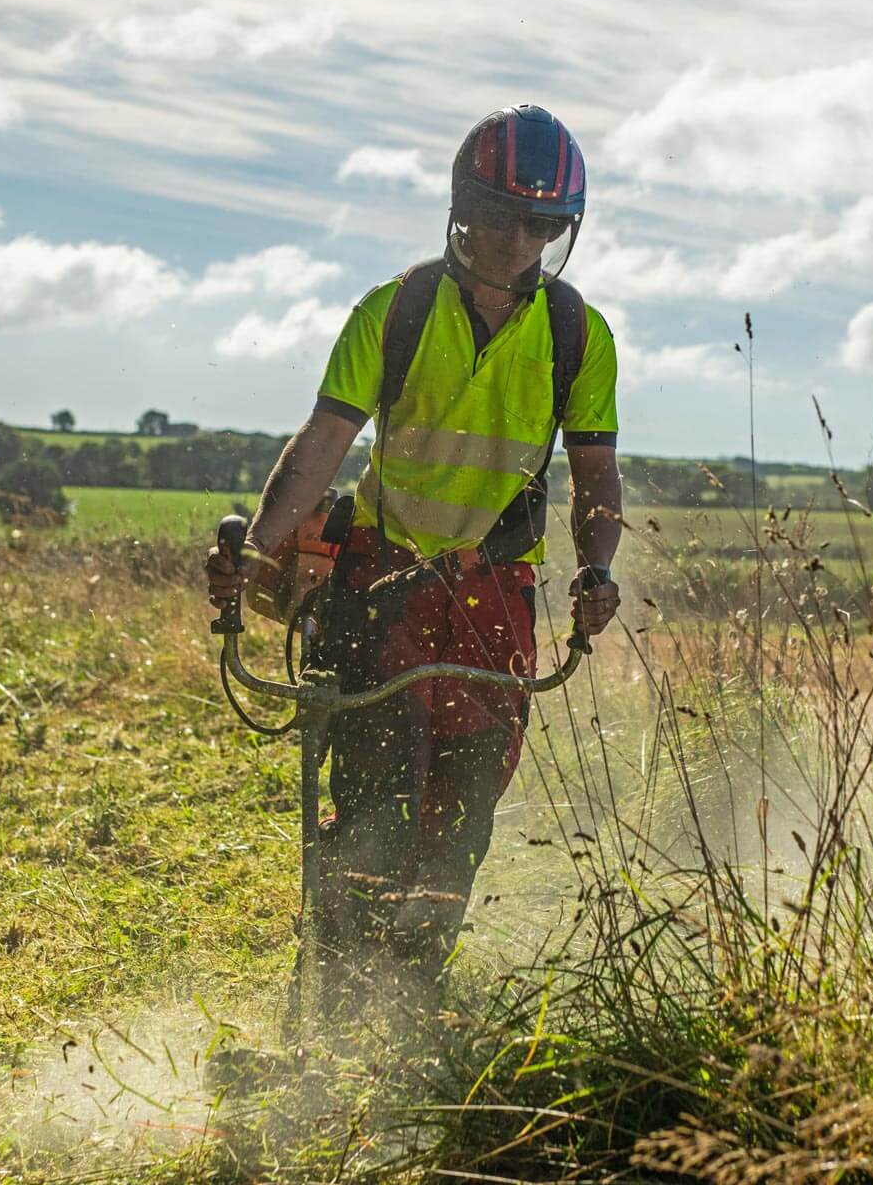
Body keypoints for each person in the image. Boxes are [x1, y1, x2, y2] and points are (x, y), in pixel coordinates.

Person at [205, 104, 622, 1023]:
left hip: (494, 600)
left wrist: (596, 573)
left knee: (459, 820)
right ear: (462, 208)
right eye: (507, 217)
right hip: (380, 588)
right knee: (372, 817)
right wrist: (259, 553)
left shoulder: (577, 336)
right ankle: (328, 1011)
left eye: (545, 225)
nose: (523, 241)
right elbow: (321, 444)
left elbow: (596, 477)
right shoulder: (393, 310)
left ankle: (408, 1011)